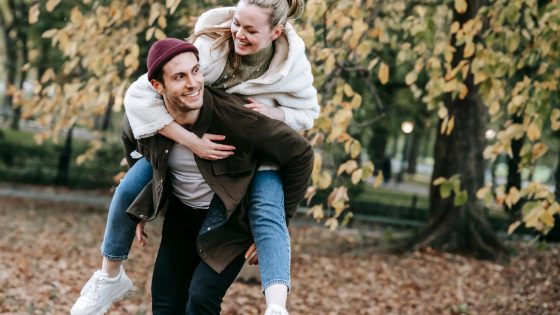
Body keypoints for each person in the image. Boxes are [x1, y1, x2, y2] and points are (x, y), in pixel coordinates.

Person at [72, 0, 318, 314]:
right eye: (237, 23)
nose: (239, 34)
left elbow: (306, 123)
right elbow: (136, 109)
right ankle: (108, 277)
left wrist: (276, 113)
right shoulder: (209, 50)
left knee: (267, 212)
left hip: (253, 146)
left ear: (276, 32)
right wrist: (155, 189)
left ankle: (276, 307)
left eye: (251, 30)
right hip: (193, 139)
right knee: (129, 190)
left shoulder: (290, 67)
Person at [137, 39, 311, 314]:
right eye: (179, 77)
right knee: (165, 302)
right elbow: (143, 157)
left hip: (228, 222)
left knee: (201, 299)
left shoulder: (237, 117)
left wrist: (281, 219)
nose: (193, 83)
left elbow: (301, 154)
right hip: (182, 216)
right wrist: (143, 207)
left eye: (196, 71)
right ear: (158, 86)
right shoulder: (147, 120)